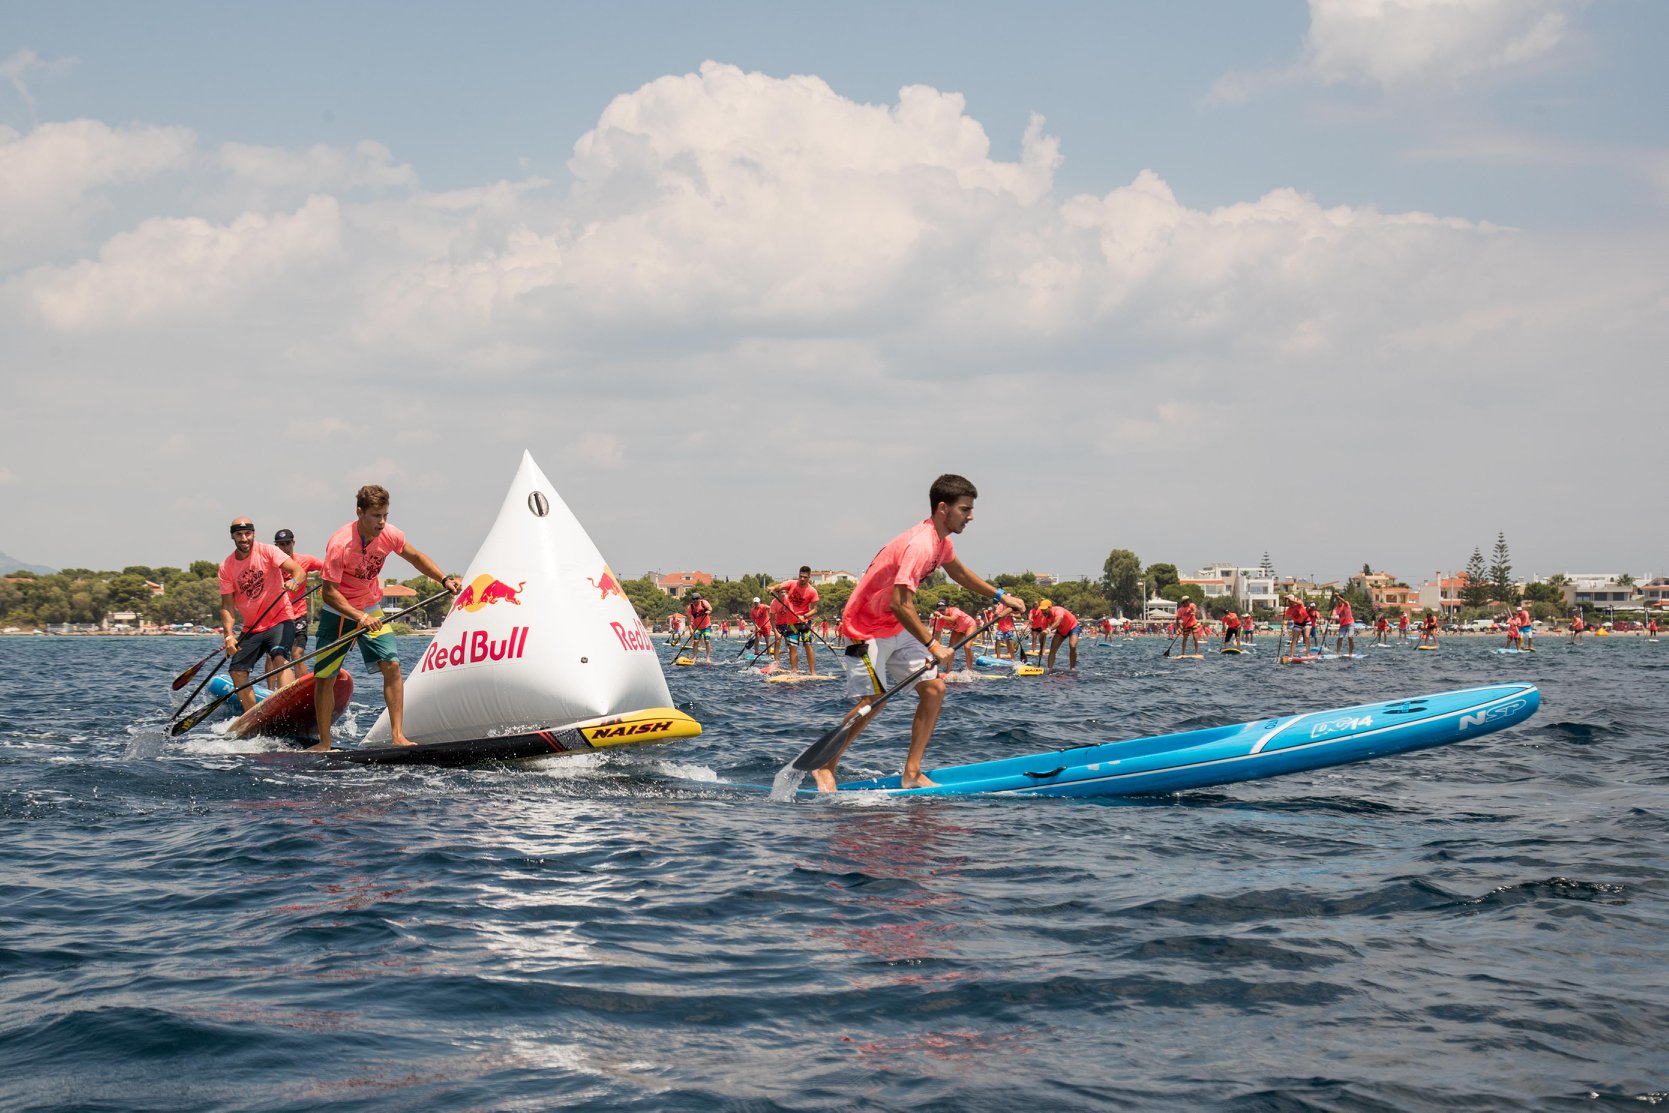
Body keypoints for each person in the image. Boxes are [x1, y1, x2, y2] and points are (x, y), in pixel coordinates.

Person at [815, 474, 1023, 792]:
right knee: (875, 699)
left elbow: (958, 572)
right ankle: (825, 766)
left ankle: (911, 773)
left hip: (895, 626)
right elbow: (901, 603)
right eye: (965, 509)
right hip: (862, 629)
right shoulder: (920, 545)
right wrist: (932, 644)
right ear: (943, 508)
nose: (971, 516)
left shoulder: (942, 542)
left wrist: (1000, 596)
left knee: (934, 689)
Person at [309, 485, 459, 750]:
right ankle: (325, 743)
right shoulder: (340, 544)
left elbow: (416, 557)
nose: (382, 522)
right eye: (376, 515)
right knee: (325, 677)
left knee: (392, 665)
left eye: (385, 515)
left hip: (370, 605)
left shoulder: (389, 534)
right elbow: (329, 593)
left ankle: (397, 736)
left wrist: (443, 579)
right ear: (360, 512)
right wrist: (358, 616)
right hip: (340, 612)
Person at [218, 518, 305, 713]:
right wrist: (229, 635)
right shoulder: (226, 567)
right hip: (252, 628)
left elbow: (297, 571)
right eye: (239, 534)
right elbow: (227, 606)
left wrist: (296, 582)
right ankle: (254, 719)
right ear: (232, 536)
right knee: (237, 671)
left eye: (247, 533)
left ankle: (288, 710)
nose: (244, 538)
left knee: (279, 658)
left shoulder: (268, 551)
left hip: (280, 619)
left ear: (253, 534)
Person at [273, 528, 324, 673]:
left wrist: (329, 581)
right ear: (276, 546)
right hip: (278, 617)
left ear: (293, 543)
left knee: (296, 654)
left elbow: (326, 566)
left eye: (287, 543)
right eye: (280, 544)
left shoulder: (305, 560)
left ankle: (304, 687)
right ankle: (270, 692)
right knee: (273, 657)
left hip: (298, 615)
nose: (285, 547)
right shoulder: (271, 564)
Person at [769, 566, 820, 675]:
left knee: (808, 645)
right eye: (800, 576)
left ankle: (813, 672)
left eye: (805, 577)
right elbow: (780, 586)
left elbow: (815, 609)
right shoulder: (792, 583)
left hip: (805, 623)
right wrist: (773, 588)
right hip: (791, 624)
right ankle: (794, 672)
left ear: (809, 577)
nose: (802, 579)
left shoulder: (812, 591)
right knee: (793, 648)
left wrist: (804, 616)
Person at [930, 599, 979, 672]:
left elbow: (952, 619)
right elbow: (937, 636)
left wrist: (940, 615)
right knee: (951, 649)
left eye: (943, 609)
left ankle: (970, 670)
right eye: (940, 610)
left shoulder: (954, 610)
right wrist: (934, 649)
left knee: (967, 647)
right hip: (958, 630)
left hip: (970, 625)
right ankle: (948, 671)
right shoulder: (940, 620)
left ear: (948, 607)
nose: (942, 612)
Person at [1038, 598, 1080, 670]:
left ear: (1050, 608)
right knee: (1052, 650)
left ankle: (1072, 668)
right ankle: (1050, 669)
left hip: (1073, 627)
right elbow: (1042, 635)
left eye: (1045, 610)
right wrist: (1041, 648)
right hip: (1061, 631)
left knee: (1072, 646)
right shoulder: (1044, 619)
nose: (1043, 612)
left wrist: (1048, 630)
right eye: (1042, 610)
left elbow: (1058, 622)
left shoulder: (1058, 610)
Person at [686, 592, 713, 661]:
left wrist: (708, 611)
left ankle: (708, 658)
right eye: (693, 599)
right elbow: (688, 620)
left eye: (696, 599)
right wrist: (690, 629)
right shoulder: (690, 607)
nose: (695, 600)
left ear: (700, 599)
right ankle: (694, 657)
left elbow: (710, 608)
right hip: (697, 627)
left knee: (707, 641)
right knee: (695, 641)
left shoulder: (704, 603)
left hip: (706, 626)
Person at [1331, 591, 1356, 657]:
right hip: (1343, 625)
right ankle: (1338, 653)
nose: (1338, 601)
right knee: (1340, 638)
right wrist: (1331, 617)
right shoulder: (1336, 609)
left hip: (1350, 623)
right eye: (1337, 600)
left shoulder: (1346, 604)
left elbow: (1344, 601)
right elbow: (1333, 615)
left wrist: (1337, 596)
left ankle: (1350, 653)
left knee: (1350, 637)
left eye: (1339, 600)